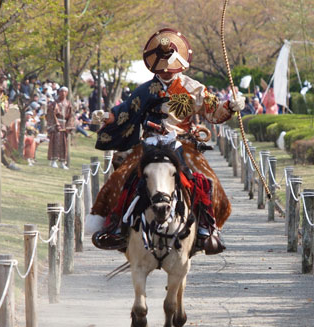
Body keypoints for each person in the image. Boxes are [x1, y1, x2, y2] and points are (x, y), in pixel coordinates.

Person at [87, 28, 245, 254]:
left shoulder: (194, 88)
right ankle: (116, 227)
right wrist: (105, 116)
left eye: (169, 66)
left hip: (184, 143)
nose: (166, 72)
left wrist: (230, 106)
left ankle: (206, 228)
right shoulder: (144, 90)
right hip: (149, 143)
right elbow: (124, 111)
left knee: (208, 180)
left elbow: (214, 112)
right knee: (120, 177)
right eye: (162, 67)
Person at [46, 86, 74, 169]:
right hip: (56, 124)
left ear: (67, 93)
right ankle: (53, 160)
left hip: (64, 125)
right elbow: (51, 113)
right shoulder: (54, 103)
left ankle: (62, 162)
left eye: (65, 92)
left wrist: (69, 126)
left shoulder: (68, 103)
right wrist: (56, 124)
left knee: (63, 143)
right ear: (59, 92)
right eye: (61, 91)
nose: (63, 93)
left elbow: (71, 115)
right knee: (55, 142)